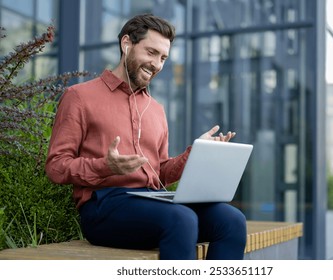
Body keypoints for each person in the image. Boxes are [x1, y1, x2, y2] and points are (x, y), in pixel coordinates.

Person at [45, 14, 247, 260]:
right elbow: (56, 167)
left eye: (163, 58)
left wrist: (197, 153)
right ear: (126, 43)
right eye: (151, 53)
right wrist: (105, 166)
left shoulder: (156, 109)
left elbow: (159, 173)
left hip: (154, 201)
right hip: (104, 207)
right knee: (181, 219)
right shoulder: (79, 97)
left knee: (232, 220)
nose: (157, 65)